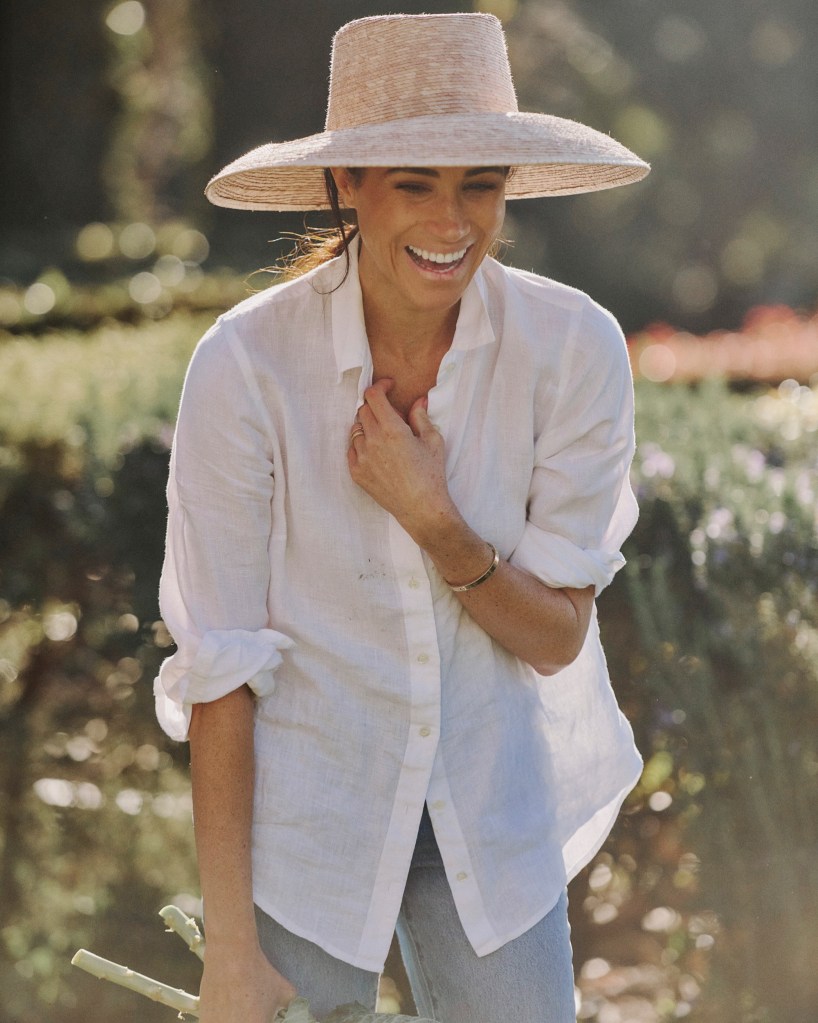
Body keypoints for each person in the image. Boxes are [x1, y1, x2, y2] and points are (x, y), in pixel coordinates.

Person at [154, 13, 649, 1023]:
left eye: (481, 184)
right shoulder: (246, 367)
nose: (451, 221)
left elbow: (556, 637)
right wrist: (231, 955)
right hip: (306, 834)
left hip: (491, 826)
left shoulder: (571, 349)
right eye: (414, 183)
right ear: (348, 186)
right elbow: (223, 666)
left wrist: (438, 524)